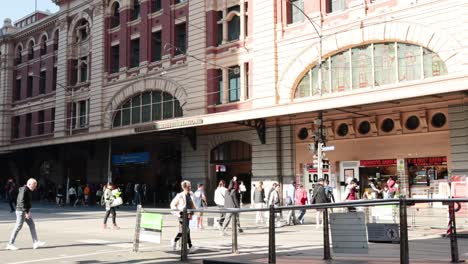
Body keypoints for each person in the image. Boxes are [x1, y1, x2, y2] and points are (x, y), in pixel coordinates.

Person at [6, 178, 45, 250]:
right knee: (18, 227)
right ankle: (10, 244)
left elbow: (26, 202)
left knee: (32, 225)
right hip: (21, 211)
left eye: (35, 185)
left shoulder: (28, 190)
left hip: (25, 211)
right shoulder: (24, 189)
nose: (35, 187)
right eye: (34, 185)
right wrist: (26, 212)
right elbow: (21, 201)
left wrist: (28, 211)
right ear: (29, 184)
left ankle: (35, 242)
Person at [170, 180, 198, 254]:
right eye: (188, 186)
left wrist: (192, 213)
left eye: (190, 186)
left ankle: (175, 240)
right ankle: (190, 246)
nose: (190, 187)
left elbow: (193, 204)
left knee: (186, 231)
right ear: (184, 187)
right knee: (186, 230)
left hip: (188, 214)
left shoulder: (191, 194)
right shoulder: (180, 195)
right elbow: (172, 204)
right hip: (181, 214)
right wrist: (177, 212)